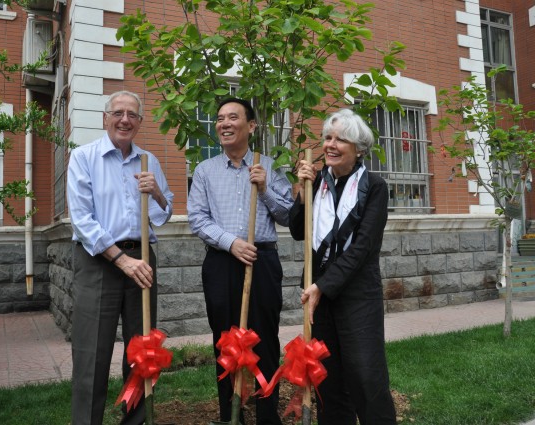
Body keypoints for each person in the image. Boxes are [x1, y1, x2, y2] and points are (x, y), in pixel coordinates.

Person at [66, 90, 174, 425]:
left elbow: (164, 213)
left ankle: (136, 421)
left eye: (132, 115)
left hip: (142, 259)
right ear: (105, 118)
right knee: (92, 353)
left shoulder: (148, 161)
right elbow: (82, 220)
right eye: (118, 113)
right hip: (99, 261)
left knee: (142, 351)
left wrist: (156, 192)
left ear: (140, 122)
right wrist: (120, 261)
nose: (124, 120)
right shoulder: (84, 158)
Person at [187, 98, 293, 424]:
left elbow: (289, 215)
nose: (225, 124)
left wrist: (264, 190)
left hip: (262, 262)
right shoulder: (205, 170)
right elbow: (198, 219)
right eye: (220, 118)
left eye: (233, 117)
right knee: (224, 341)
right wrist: (231, 243)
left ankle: (266, 416)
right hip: (221, 263)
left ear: (251, 126)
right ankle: (230, 415)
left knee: (264, 339)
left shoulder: (270, 167)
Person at [289, 108, 396, 424]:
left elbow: (363, 248)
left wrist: (323, 286)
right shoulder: (316, 181)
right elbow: (298, 231)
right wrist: (300, 190)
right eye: (328, 137)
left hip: (357, 292)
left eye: (341, 140)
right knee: (328, 379)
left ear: (359, 149)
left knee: (365, 374)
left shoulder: (374, 186)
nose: (331, 145)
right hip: (318, 290)